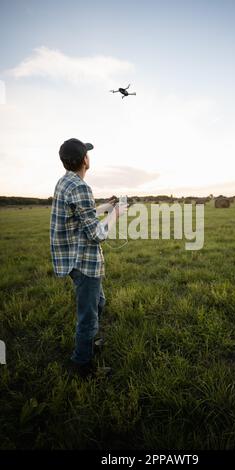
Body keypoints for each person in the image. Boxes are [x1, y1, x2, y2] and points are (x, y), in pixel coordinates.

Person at [50, 138, 125, 378]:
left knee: (98, 303)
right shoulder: (81, 187)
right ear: (85, 159)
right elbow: (96, 234)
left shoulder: (65, 182)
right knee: (88, 316)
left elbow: (82, 213)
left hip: (72, 259)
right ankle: (83, 365)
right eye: (87, 154)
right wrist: (116, 215)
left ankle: (88, 342)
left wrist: (106, 206)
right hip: (83, 261)